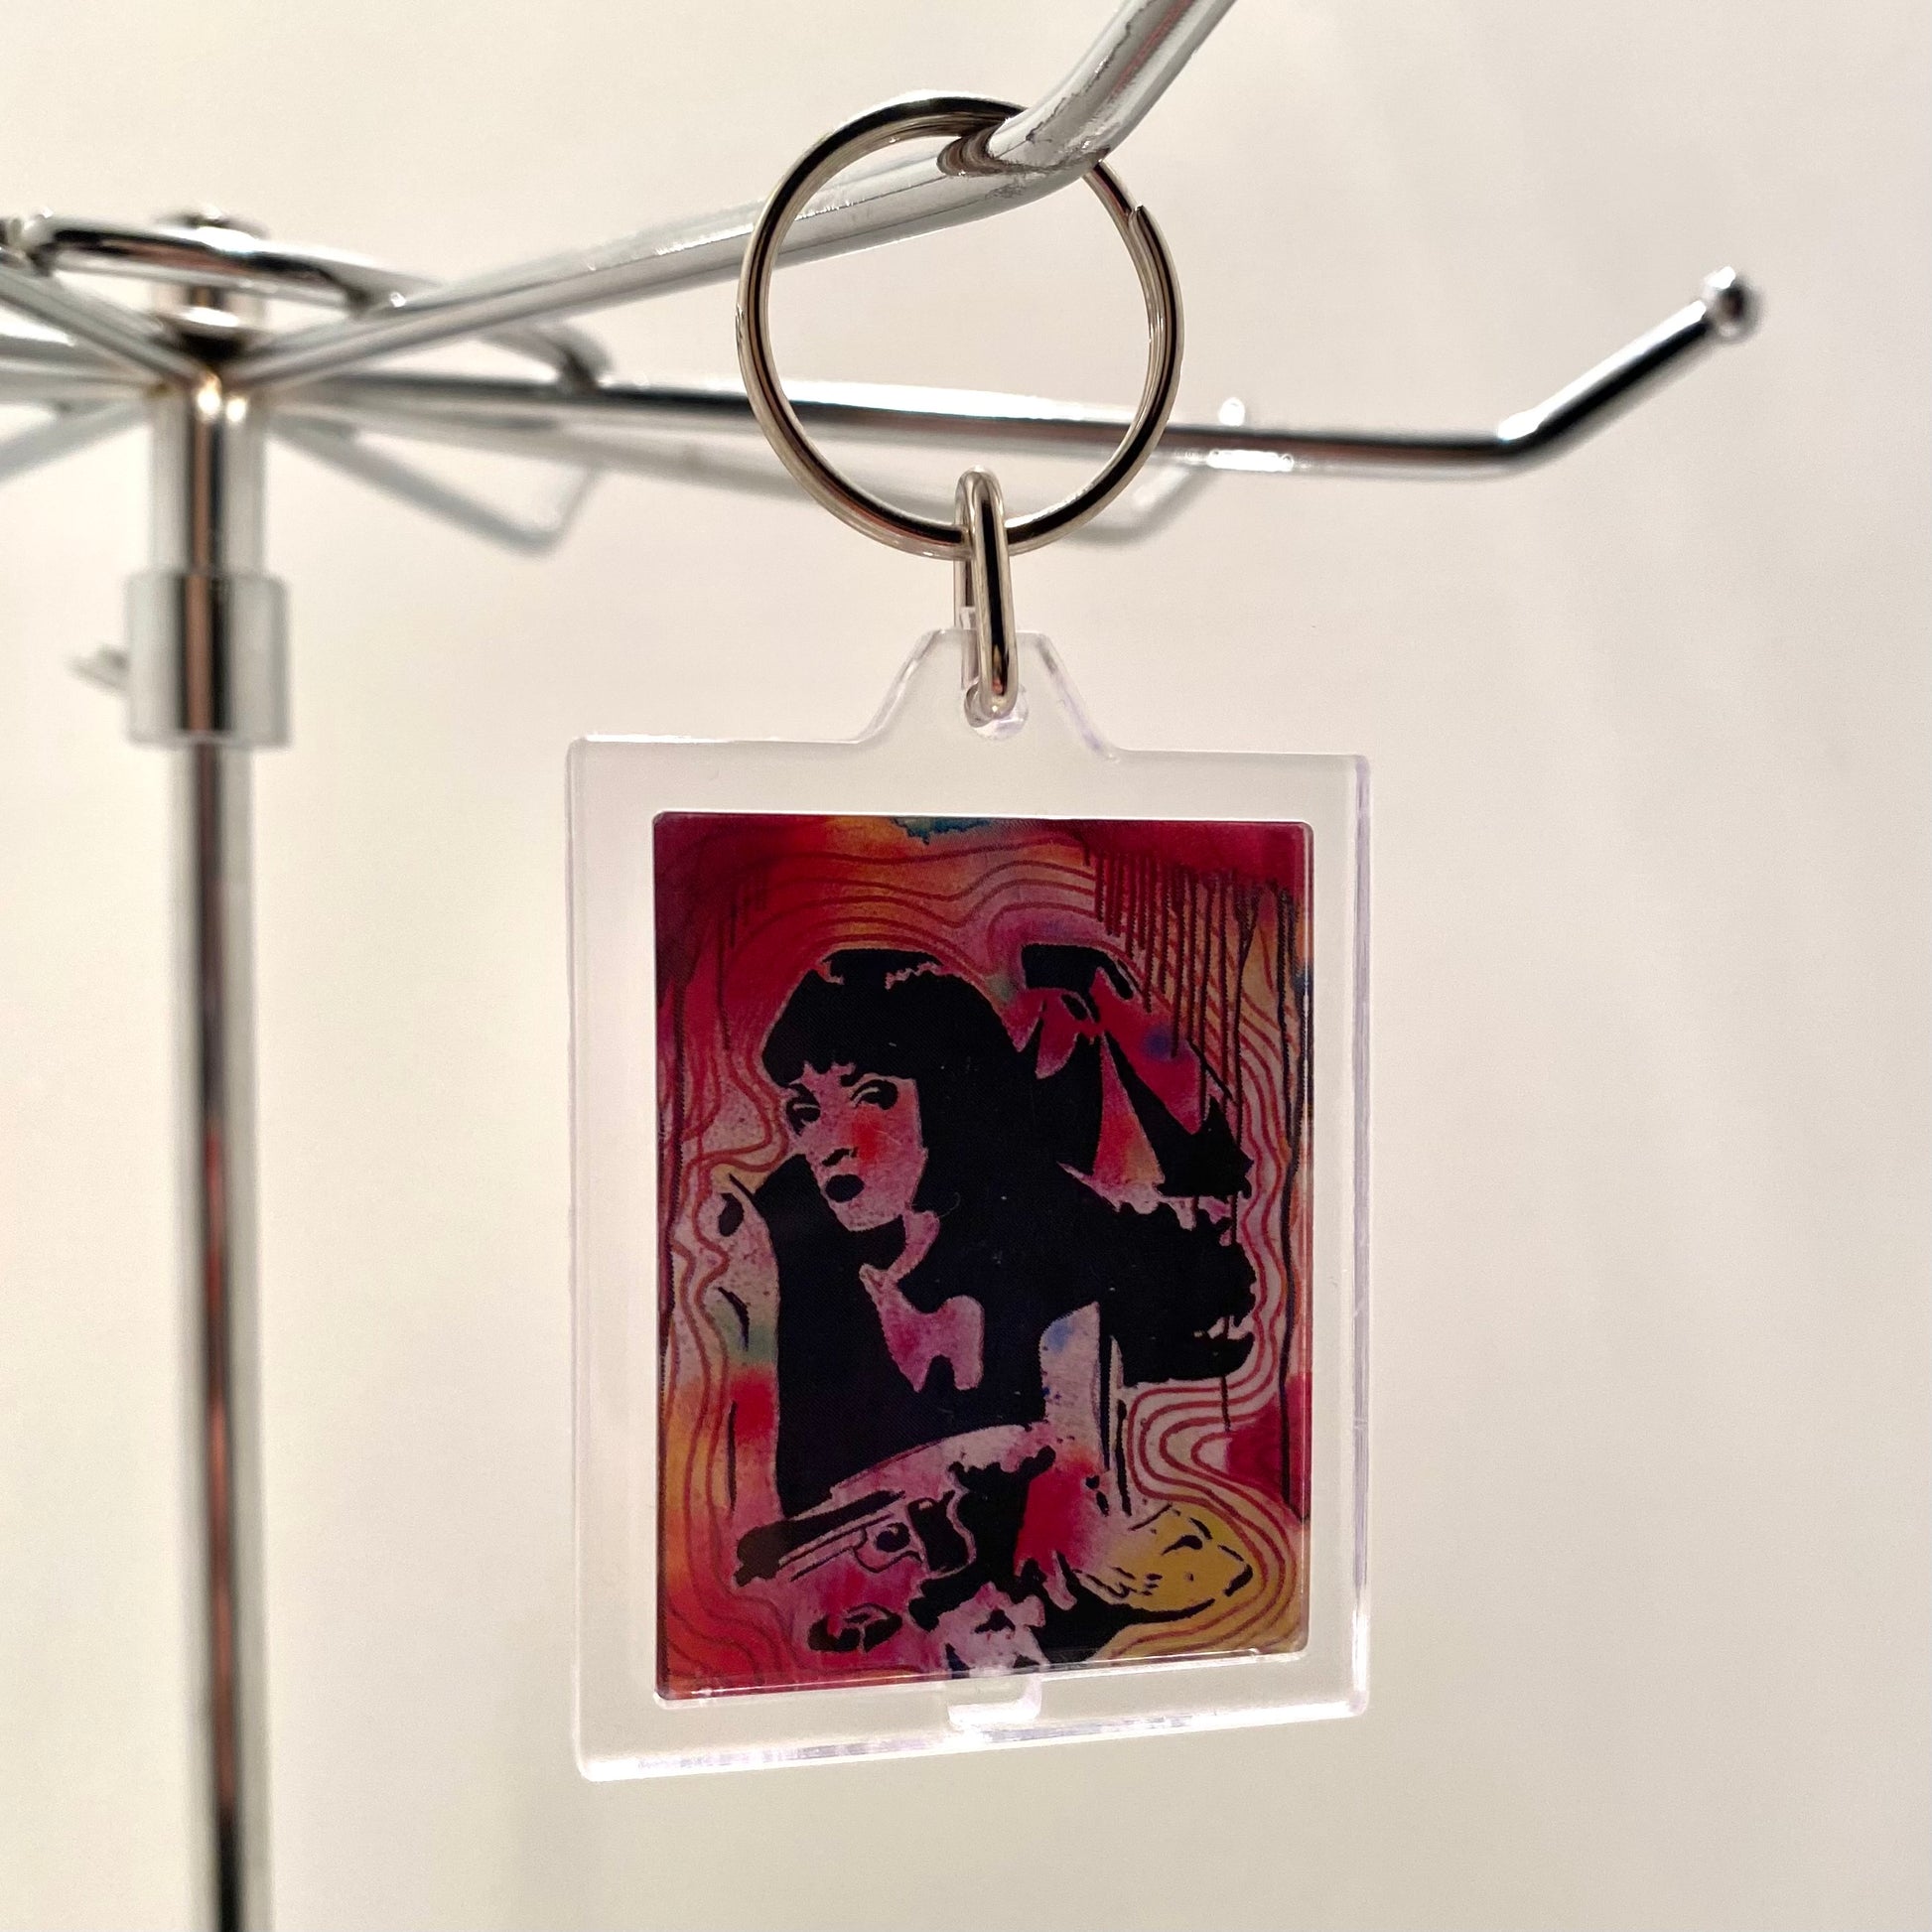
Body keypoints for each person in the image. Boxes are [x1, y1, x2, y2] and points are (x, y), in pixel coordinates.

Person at [744, 947, 1258, 1517]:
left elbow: (1099, 1486)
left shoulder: (1061, 1237)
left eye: (870, 1096)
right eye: (806, 1112)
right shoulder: (807, 1257)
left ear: (948, 1094)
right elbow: (800, 1497)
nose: (829, 1144)